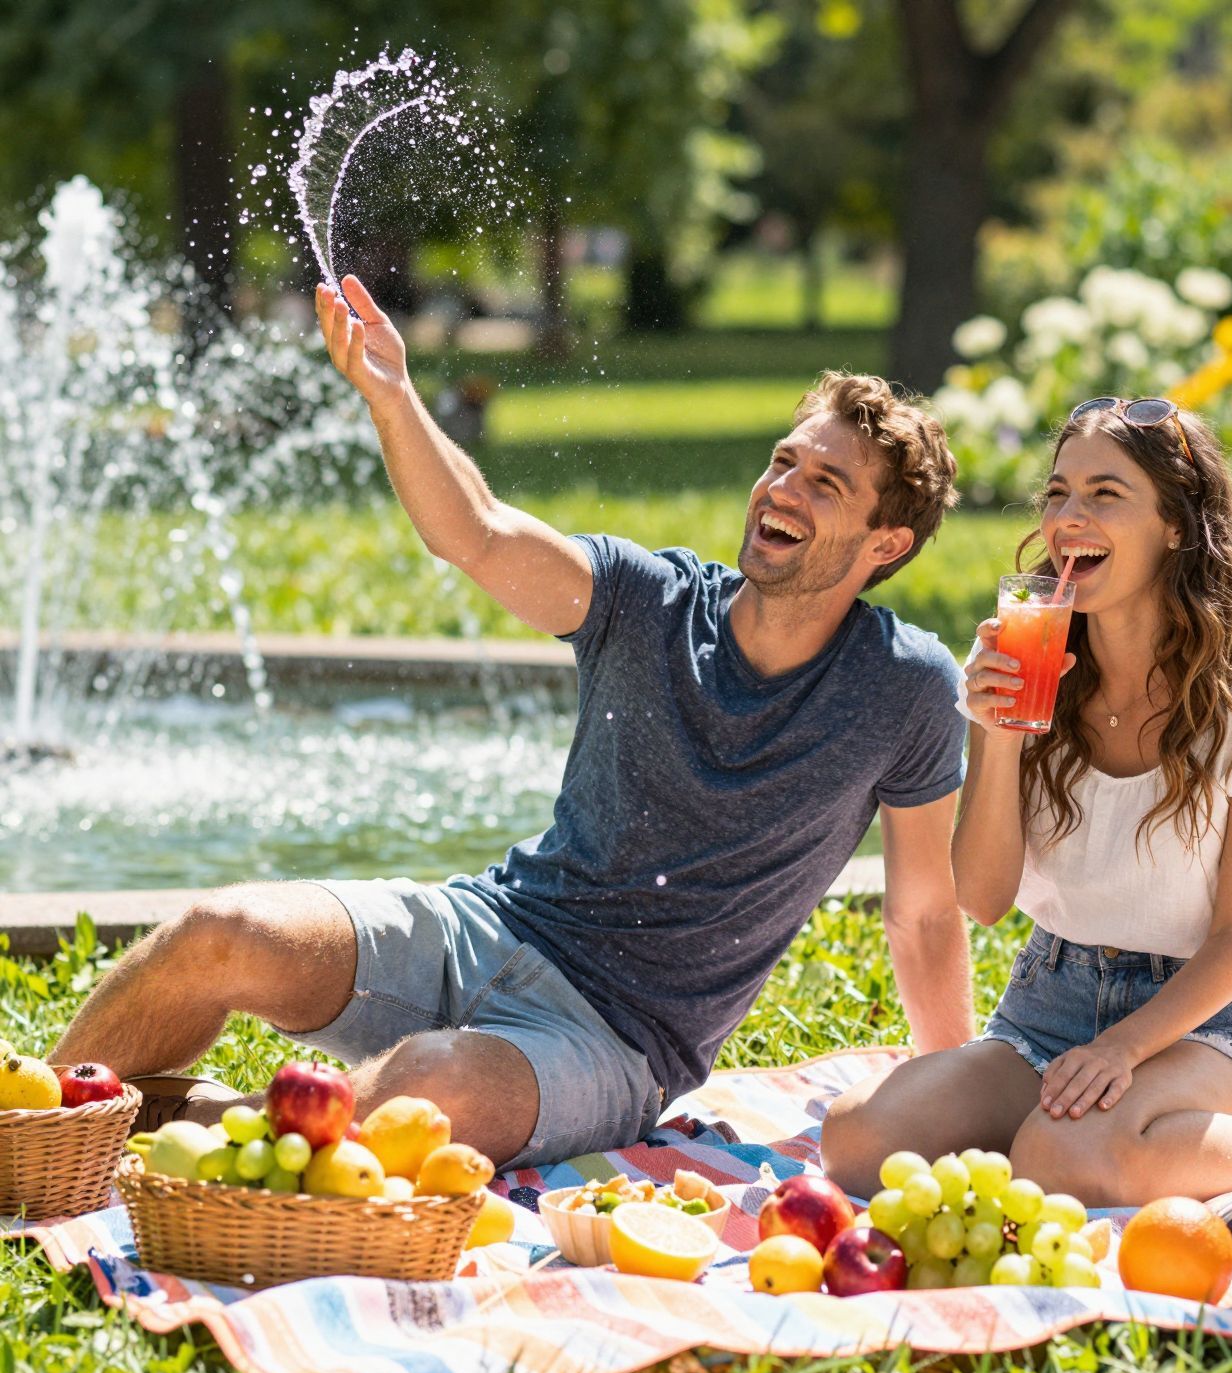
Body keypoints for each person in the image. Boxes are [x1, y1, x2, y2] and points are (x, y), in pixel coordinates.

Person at [49, 274, 975, 1169]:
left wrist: (959, 1103)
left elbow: (925, 913)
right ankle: (31, 1131)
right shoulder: (647, 599)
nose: (782, 490)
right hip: (485, 928)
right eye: (783, 461)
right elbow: (479, 532)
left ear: (886, 542)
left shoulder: (905, 688)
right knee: (220, 931)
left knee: (428, 1085)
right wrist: (393, 396)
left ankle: (189, 1134)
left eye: (826, 484)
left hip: (612, 1041)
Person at [821, 397, 1232, 1206]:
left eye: (1104, 494)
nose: (1067, 519)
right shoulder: (1030, 663)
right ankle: (1095, 1141)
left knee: (1061, 1157)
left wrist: (1123, 1049)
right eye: (1057, 494)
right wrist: (995, 734)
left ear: (1175, 526)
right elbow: (983, 899)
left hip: (1203, 1020)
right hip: (1050, 999)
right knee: (858, 1140)